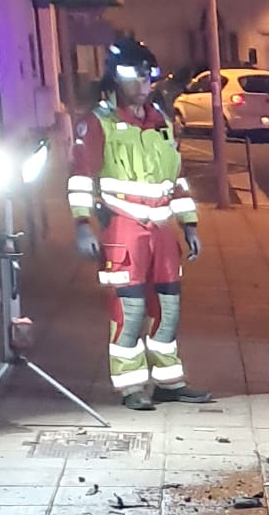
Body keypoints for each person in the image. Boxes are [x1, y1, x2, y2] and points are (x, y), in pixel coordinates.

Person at [66, 39, 209, 410]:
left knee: (169, 310)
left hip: (161, 231)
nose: (144, 85)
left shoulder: (160, 121)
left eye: (149, 77)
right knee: (129, 312)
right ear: (116, 78)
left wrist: (189, 224)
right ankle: (130, 387)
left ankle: (168, 382)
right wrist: (82, 224)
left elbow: (176, 178)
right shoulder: (98, 123)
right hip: (124, 228)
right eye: (136, 77)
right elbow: (81, 176)